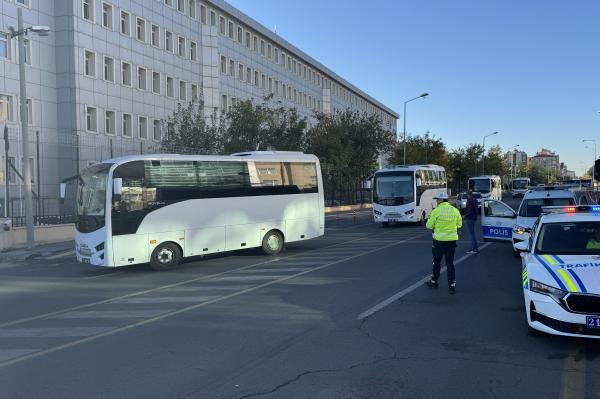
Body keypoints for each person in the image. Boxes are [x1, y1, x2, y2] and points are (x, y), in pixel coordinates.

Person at [425, 192, 462, 293]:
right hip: (451, 242)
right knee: (450, 264)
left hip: (439, 242)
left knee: (436, 262)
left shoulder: (436, 211)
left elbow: (428, 226)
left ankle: (434, 281)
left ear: (441, 200)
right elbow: (459, 224)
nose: (436, 201)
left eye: (437, 199)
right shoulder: (455, 210)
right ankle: (452, 285)